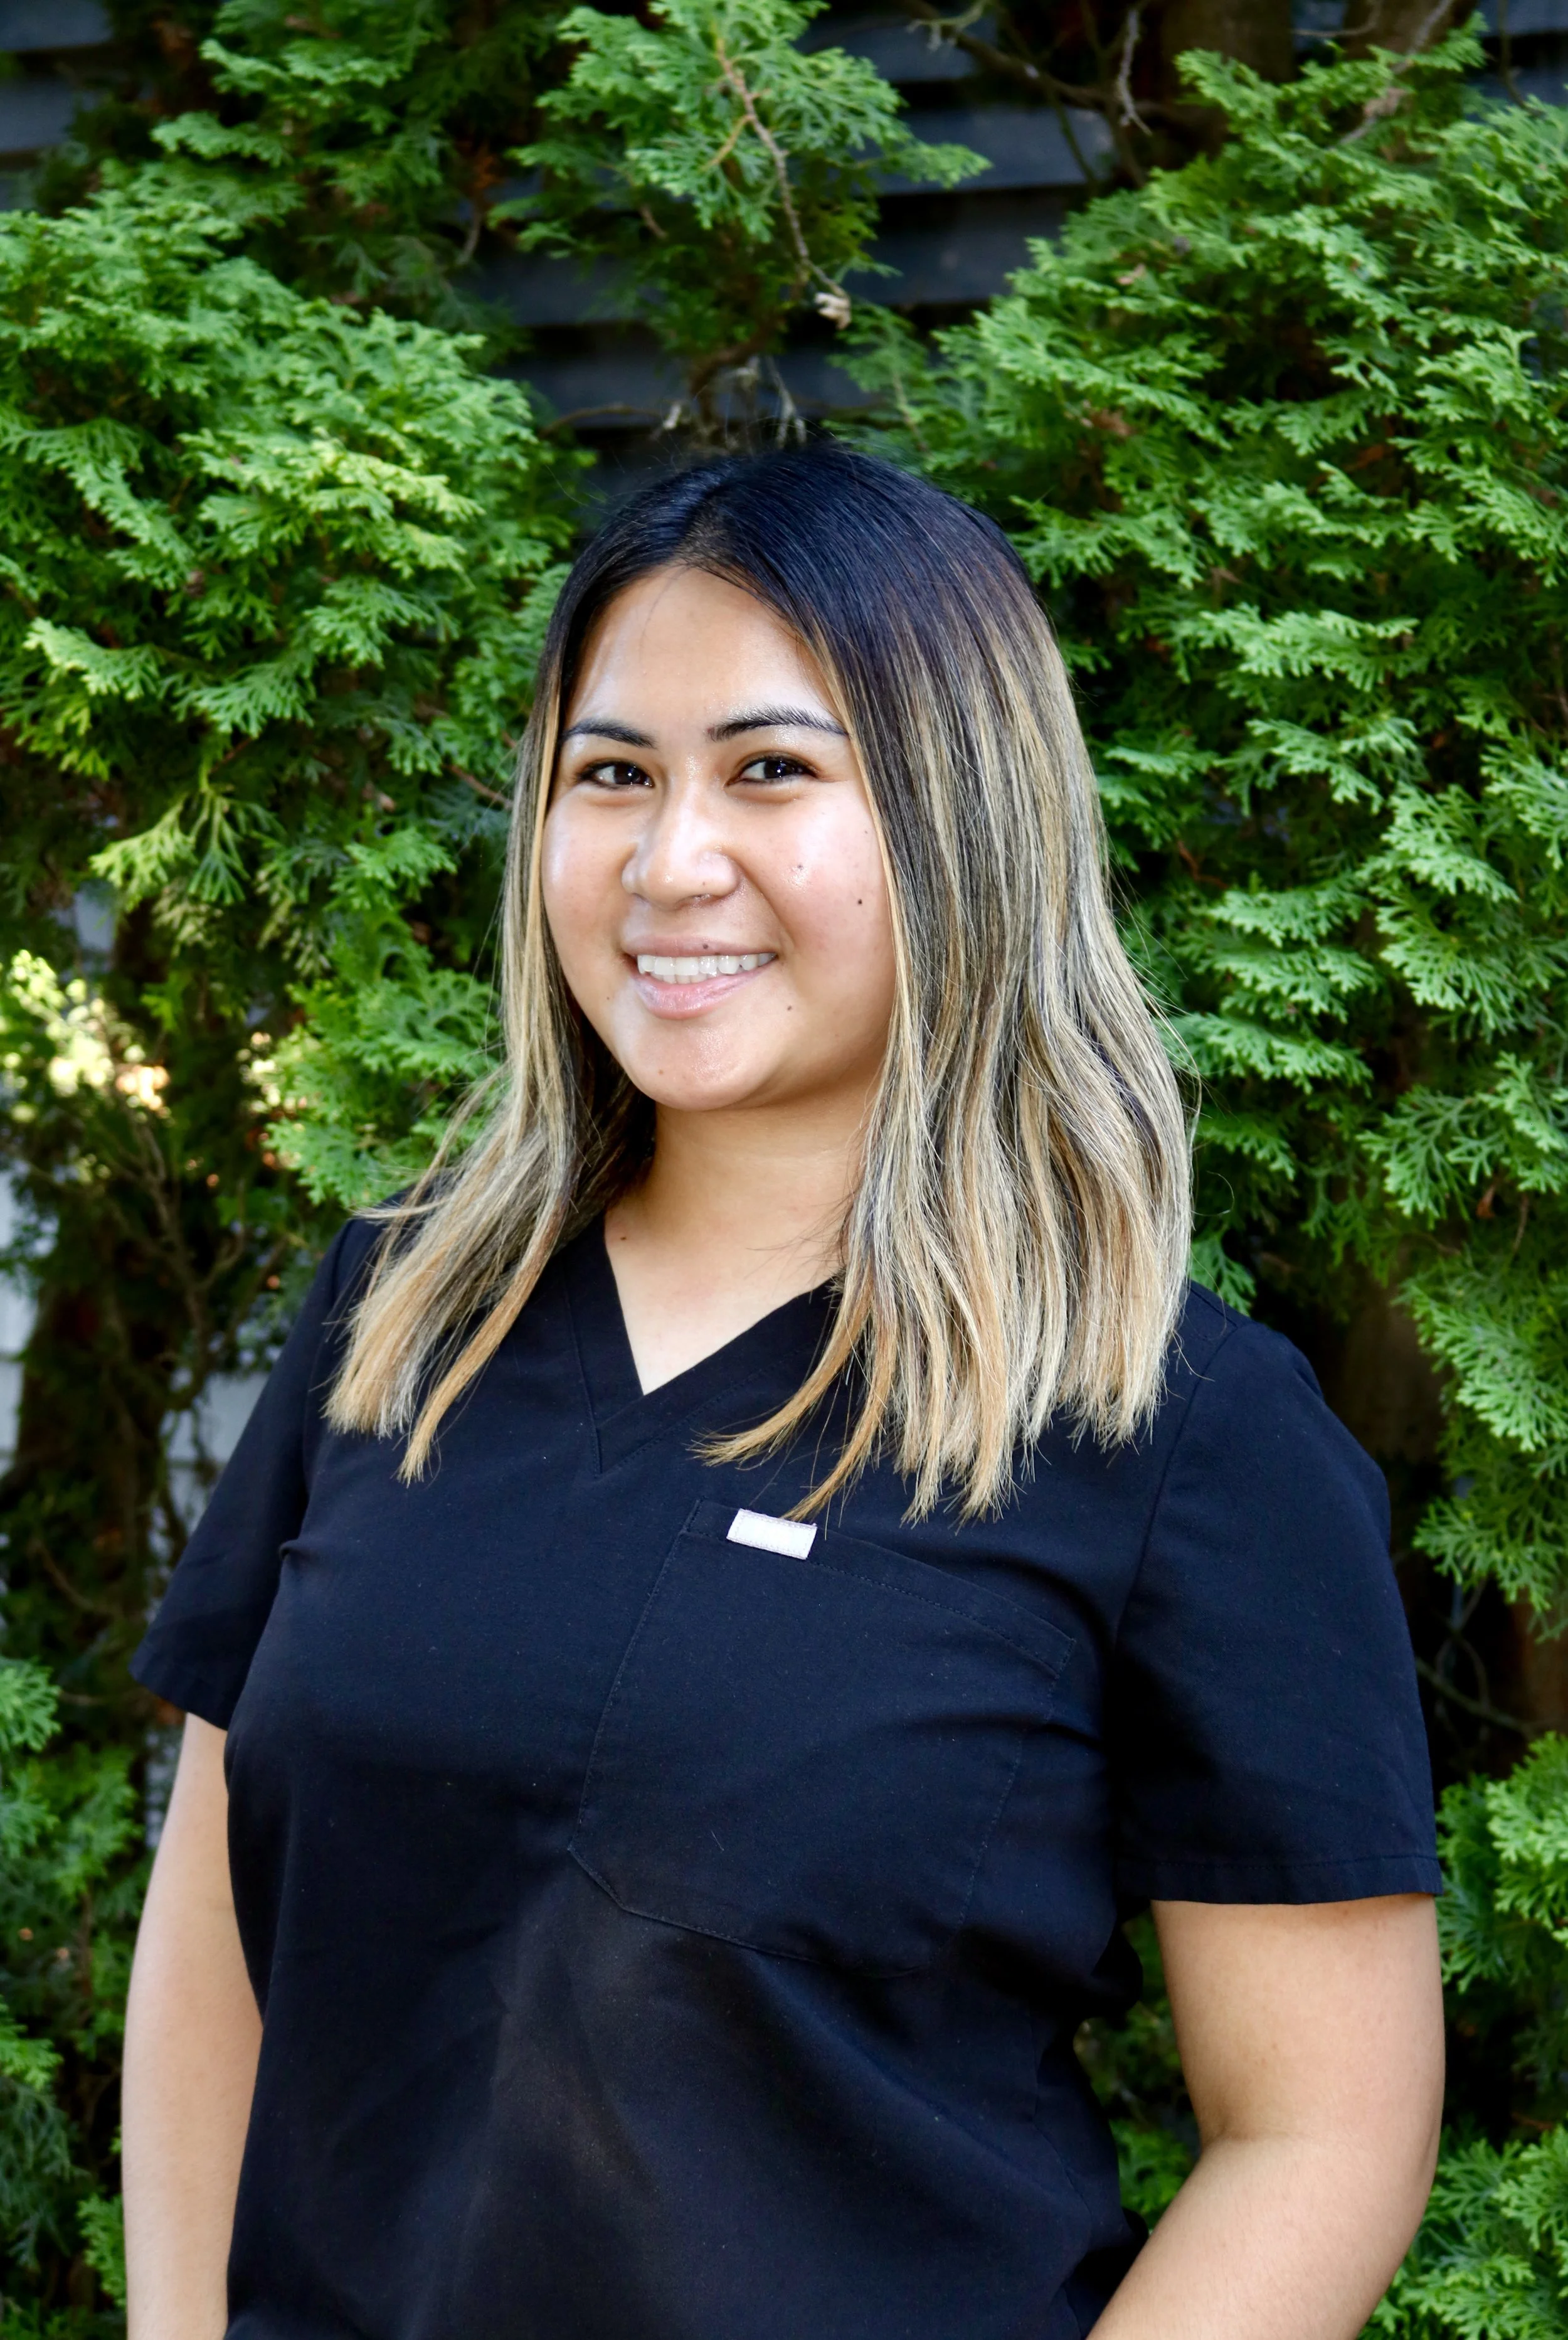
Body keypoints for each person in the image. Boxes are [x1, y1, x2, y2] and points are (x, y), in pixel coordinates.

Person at [122, 445, 1444, 2340]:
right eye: (609, 776)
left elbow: (1321, 2135)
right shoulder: (399, 1314)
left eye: (770, 769)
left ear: (956, 814)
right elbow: (214, 1961)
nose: (670, 863)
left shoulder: (1176, 1434)